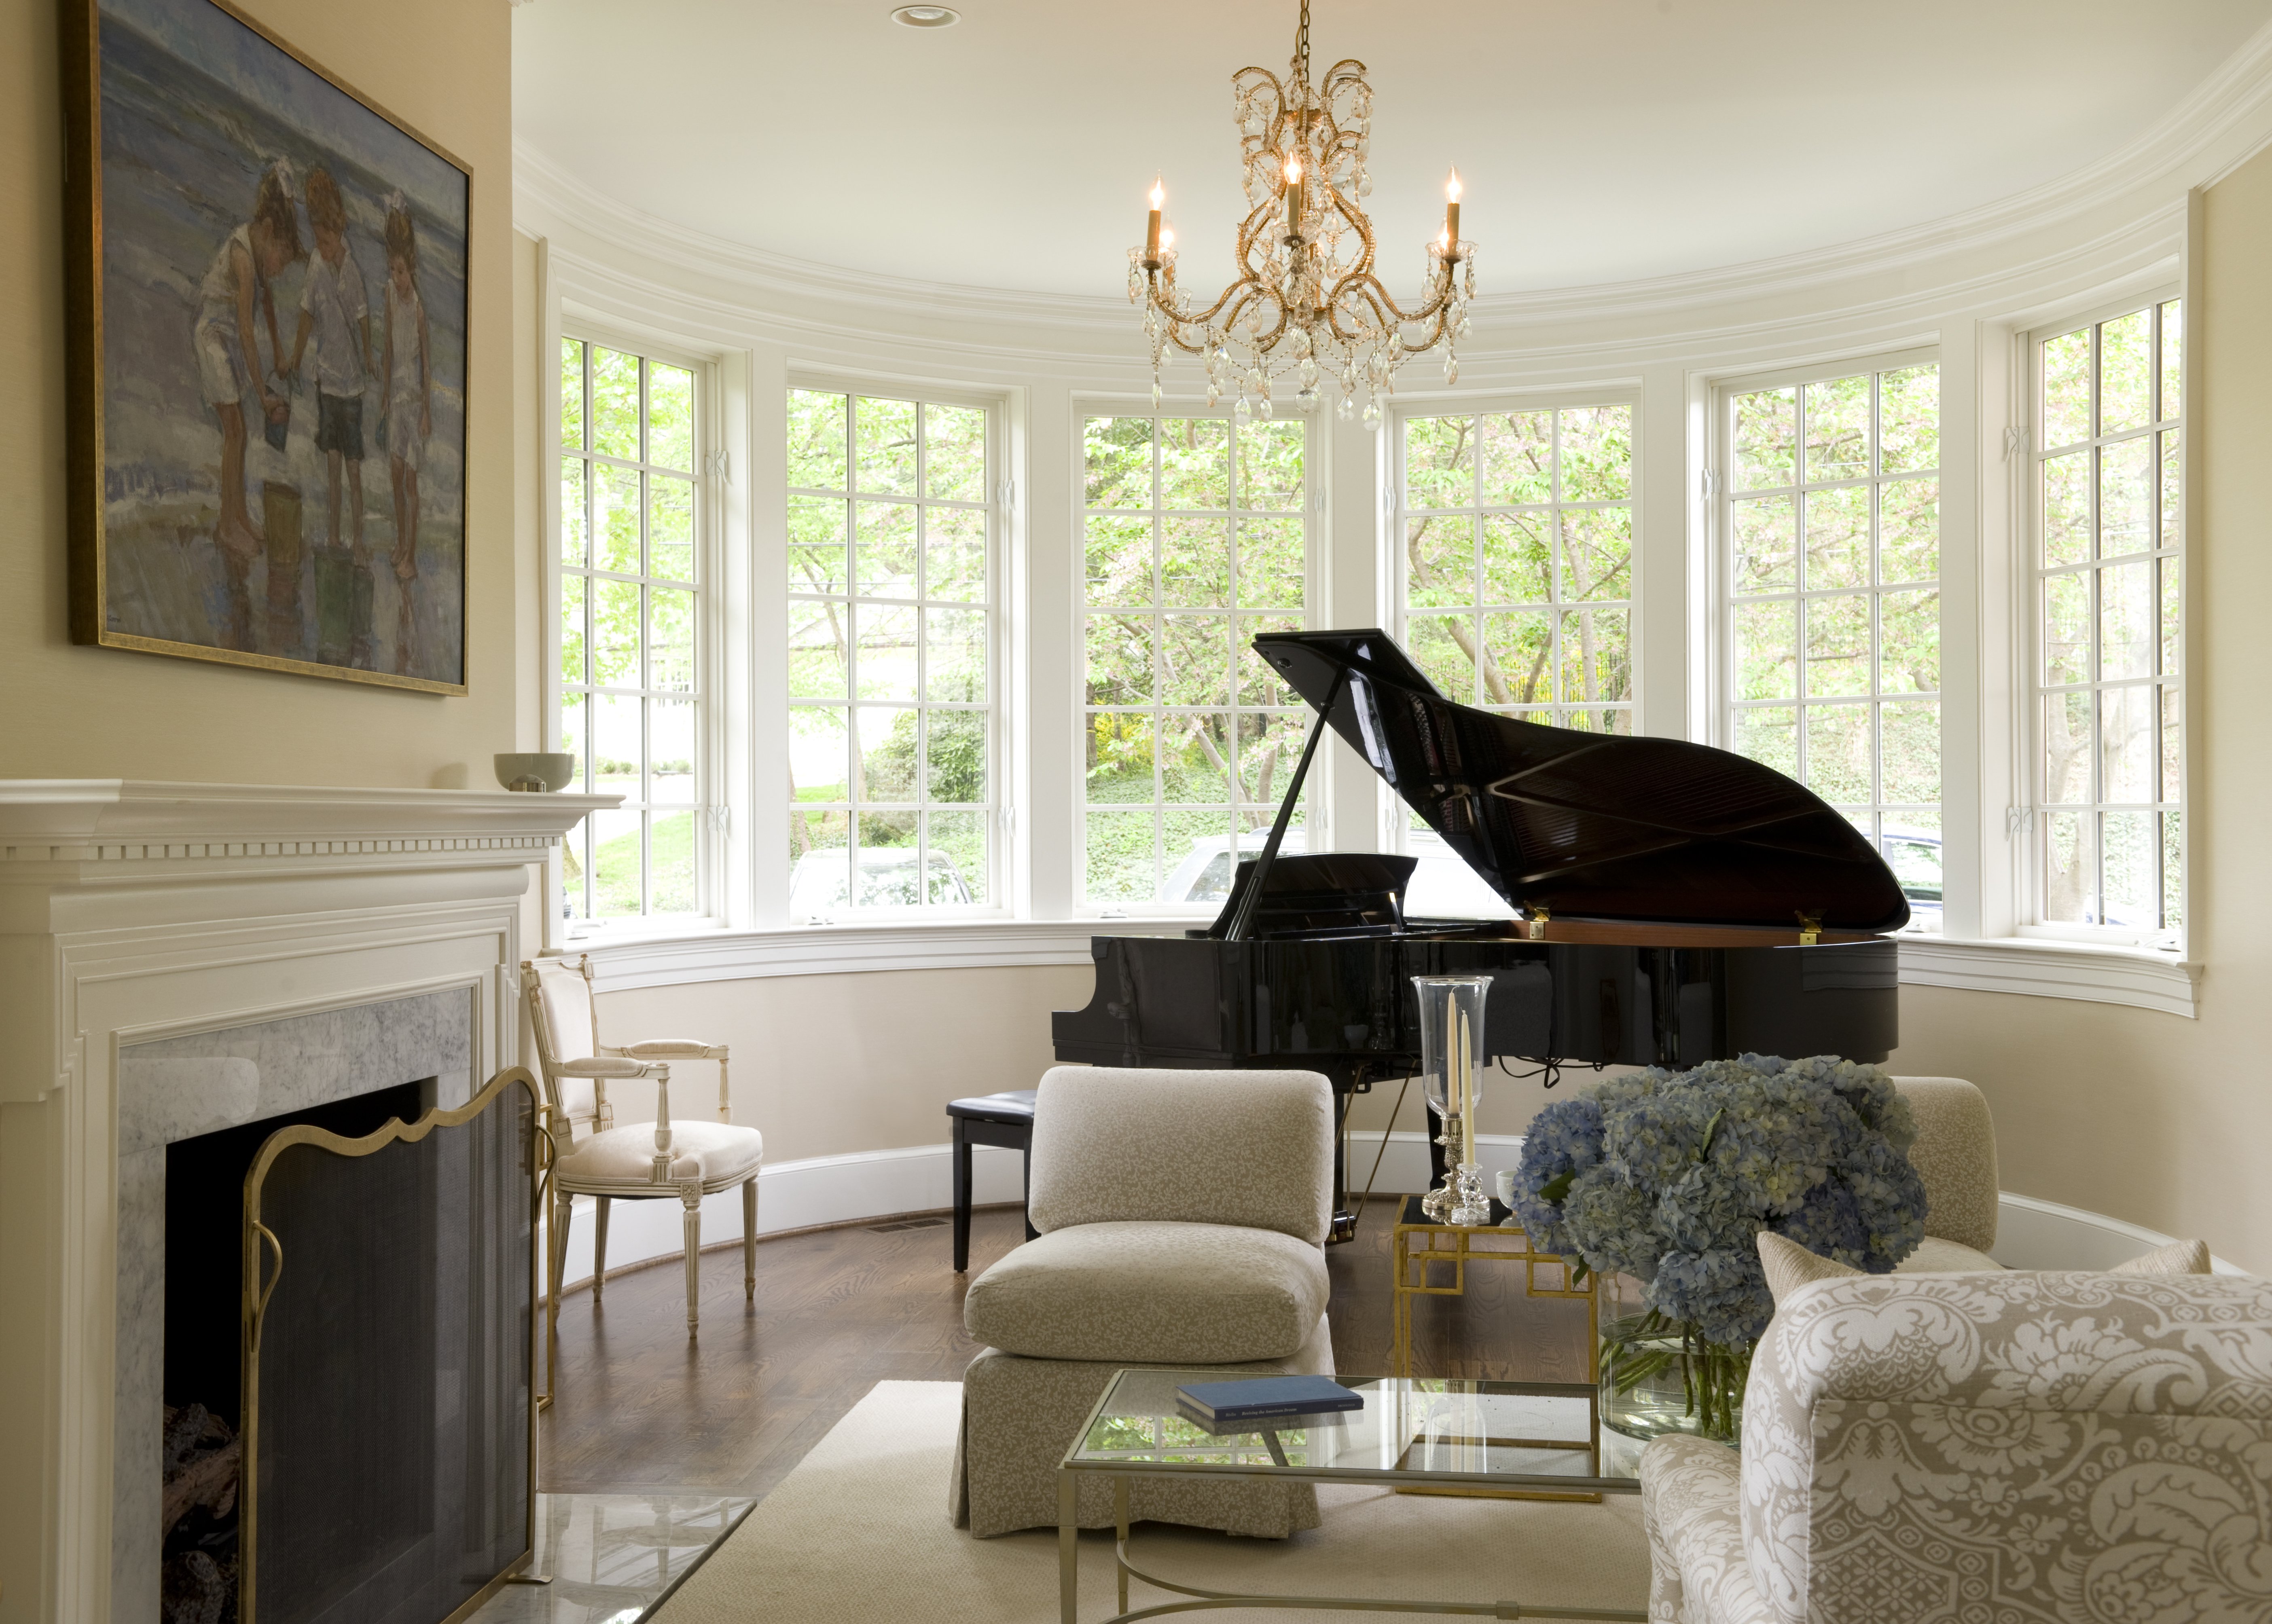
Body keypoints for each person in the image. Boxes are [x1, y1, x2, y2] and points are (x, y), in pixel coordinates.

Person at [194, 159, 301, 561]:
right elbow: (243, 328)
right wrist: (261, 393)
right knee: (235, 429)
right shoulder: (243, 256)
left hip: (230, 342)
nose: (279, 269)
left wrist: (277, 349)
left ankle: (239, 516)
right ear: (269, 233)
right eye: (282, 259)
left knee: (238, 432)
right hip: (213, 337)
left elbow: (268, 307)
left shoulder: (259, 258)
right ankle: (227, 524)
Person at [282, 167, 370, 557]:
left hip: (351, 385)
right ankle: (335, 537)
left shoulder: (351, 270)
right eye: (318, 239)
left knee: (354, 468)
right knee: (332, 466)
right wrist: (297, 359)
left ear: (340, 231)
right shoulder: (317, 266)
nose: (323, 246)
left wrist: (368, 354)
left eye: (328, 240)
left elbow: (364, 317)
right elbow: (306, 316)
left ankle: (359, 538)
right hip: (327, 382)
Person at [380, 193, 431, 675]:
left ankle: (411, 553)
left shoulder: (417, 308)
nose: (397, 279)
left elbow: (425, 361)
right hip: (393, 399)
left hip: (413, 402)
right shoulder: (389, 300)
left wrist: (427, 411)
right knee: (394, 477)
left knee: (411, 482)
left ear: (410, 269)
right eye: (392, 271)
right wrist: (381, 398)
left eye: (402, 271)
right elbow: (389, 351)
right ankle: (400, 542)